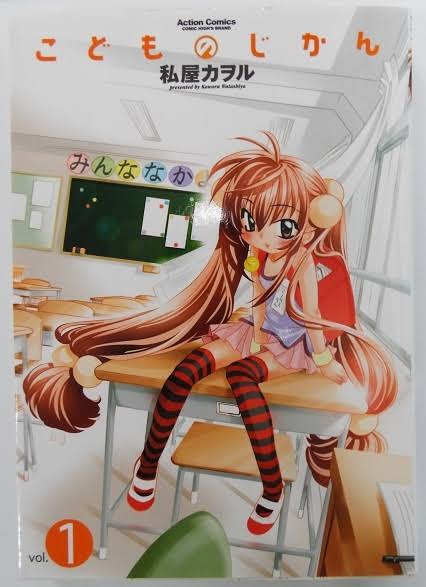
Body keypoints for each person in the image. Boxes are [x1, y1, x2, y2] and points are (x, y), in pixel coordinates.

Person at [24, 132, 396, 535]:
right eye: (249, 221)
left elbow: (311, 316)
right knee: (187, 369)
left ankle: (272, 487)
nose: (258, 233)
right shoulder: (258, 255)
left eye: (282, 223)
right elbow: (258, 301)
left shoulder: (302, 262)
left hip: (295, 342)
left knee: (241, 377)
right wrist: (254, 334)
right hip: (263, 331)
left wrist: (323, 361)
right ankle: (148, 465)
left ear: (307, 222)